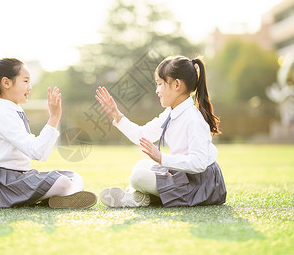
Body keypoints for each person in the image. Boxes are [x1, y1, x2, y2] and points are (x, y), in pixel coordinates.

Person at [95, 55, 226, 207]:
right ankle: (137, 196)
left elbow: (199, 163)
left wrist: (162, 158)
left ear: (177, 84)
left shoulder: (194, 119)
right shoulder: (170, 113)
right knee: (141, 166)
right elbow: (142, 135)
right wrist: (117, 116)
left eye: (159, 84)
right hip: (183, 174)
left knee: (138, 178)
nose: (157, 90)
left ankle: (134, 196)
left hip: (202, 184)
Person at [0, 58, 96, 209]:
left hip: (18, 178)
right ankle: (62, 196)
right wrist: (54, 118)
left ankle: (62, 197)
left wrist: (54, 118)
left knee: (73, 176)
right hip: (2, 184)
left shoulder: (13, 110)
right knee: (63, 182)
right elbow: (37, 152)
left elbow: (36, 149)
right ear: (6, 83)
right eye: (25, 81)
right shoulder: (4, 115)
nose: (30, 87)